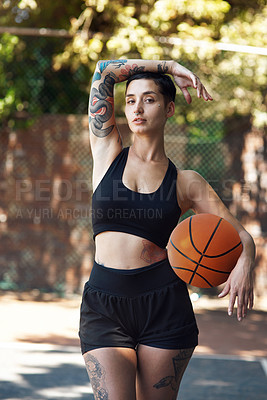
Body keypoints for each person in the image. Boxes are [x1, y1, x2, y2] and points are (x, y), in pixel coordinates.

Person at [79, 59, 255, 400]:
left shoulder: (186, 182)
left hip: (163, 305)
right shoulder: (107, 152)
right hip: (104, 304)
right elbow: (104, 71)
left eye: (149, 99)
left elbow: (240, 235)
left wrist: (245, 261)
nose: (137, 108)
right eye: (130, 100)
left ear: (169, 108)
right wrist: (170, 66)